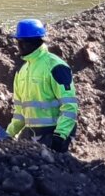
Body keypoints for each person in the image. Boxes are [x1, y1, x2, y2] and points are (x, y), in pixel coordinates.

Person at [5, 18, 79, 152]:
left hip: (53, 134)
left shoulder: (56, 66)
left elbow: (69, 106)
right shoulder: (22, 71)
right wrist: (7, 135)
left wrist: (60, 136)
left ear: (26, 43)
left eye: (19, 42)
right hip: (32, 134)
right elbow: (20, 113)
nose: (18, 46)